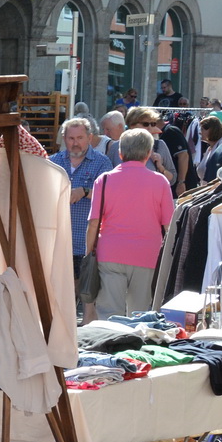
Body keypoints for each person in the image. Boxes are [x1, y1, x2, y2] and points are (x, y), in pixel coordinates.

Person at [84, 128, 174, 319]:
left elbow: (94, 222)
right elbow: (169, 226)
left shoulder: (105, 180)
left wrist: (89, 250)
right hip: (147, 254)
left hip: (110, 252)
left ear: (120, 153)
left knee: (109, 311)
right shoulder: (160, 182)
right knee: (141, 312)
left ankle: (110, 345)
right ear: (149, 153)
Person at [50, 117, 113, 277]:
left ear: (90, 138)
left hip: (86, 244)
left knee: (85, 294)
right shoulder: (53, 162)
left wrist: (85, 191)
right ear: (64, 139)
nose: (75, 143)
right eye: (71, 138)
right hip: (57, 243)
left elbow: (109, 196)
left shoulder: (102, 163)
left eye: (80, 138)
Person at [124, 108, 177, 185]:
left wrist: (161, 168)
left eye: (153, 124)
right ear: (132, 125)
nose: (150, 127)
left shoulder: (159, 145)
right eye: (145, 124)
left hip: (151, 194)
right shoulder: (118, 146)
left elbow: (173, 179)